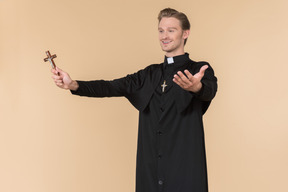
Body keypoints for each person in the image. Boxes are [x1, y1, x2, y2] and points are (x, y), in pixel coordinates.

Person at [51, 8, 217, 192]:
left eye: (171, 30)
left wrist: (196, 88)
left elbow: (210, 90)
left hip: (185, 170)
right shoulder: (149, 75)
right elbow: (112, 86)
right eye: (161, 30)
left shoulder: (199, 70)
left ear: (185, 33)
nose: (164, 36)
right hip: (151, 171)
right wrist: (74, 84)